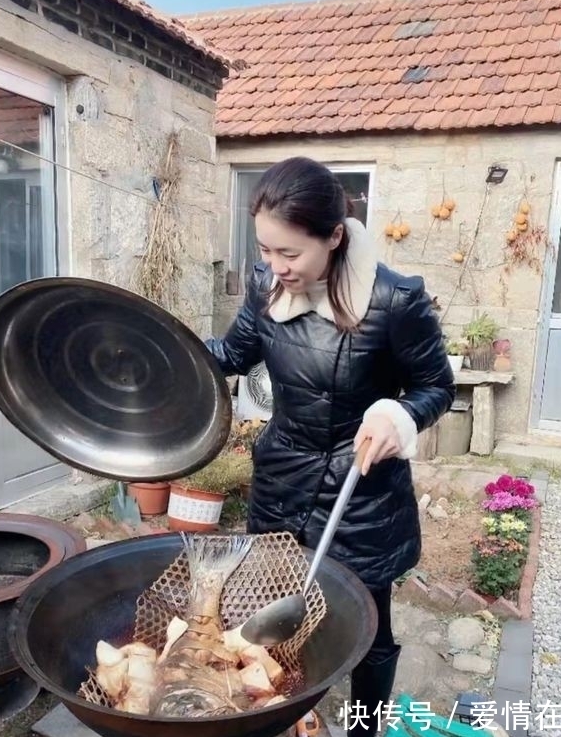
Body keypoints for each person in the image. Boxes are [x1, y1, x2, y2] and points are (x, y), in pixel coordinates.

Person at [206, 157, 456, 736]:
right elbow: (230, 354)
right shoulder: (267, 288)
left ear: (335, 236)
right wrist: (155, 349)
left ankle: (364, 730)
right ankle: (283, 713)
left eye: (289, 253)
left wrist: (399, 414)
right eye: (266, 251)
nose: (274, 267)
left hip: (360, 494)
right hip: (281, 484)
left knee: (367, 630)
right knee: (269, 613)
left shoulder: (395, 301)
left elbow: (435, 387)